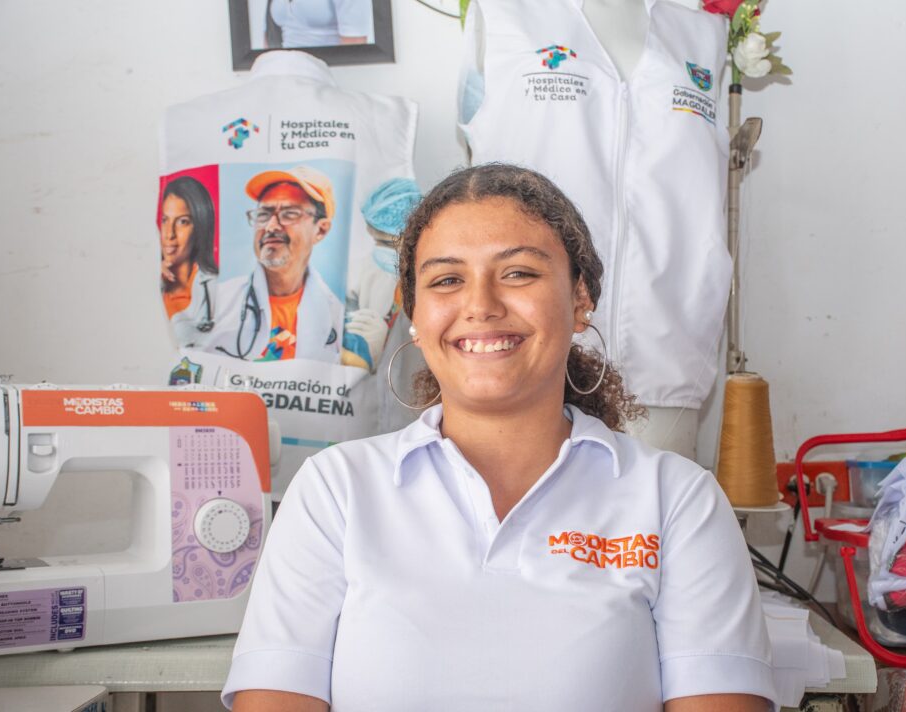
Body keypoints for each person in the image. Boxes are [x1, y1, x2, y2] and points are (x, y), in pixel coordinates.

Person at [222, 164, 778, 711]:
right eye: (447, 280)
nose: (481, 306)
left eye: (518, 273)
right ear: (414, 313)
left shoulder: (677, 500)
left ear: (580, 300)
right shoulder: (335, 490)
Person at [206, 165, 343, 362]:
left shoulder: (337, 318)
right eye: (263, 215)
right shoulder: (217, 305)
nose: (271, 226)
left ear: (320, 230)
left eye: (289, 214)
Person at [341, 177, 422, 373]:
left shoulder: (426, 276)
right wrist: (369, 346)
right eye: (383, 243)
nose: (392, 255)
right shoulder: (357, 275)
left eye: (395, 245)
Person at [159, 176, 218, 348]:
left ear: (200, 226)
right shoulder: (144, 277)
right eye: (165, 220)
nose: (169, 234)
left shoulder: (216, 288)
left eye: (182, 222)